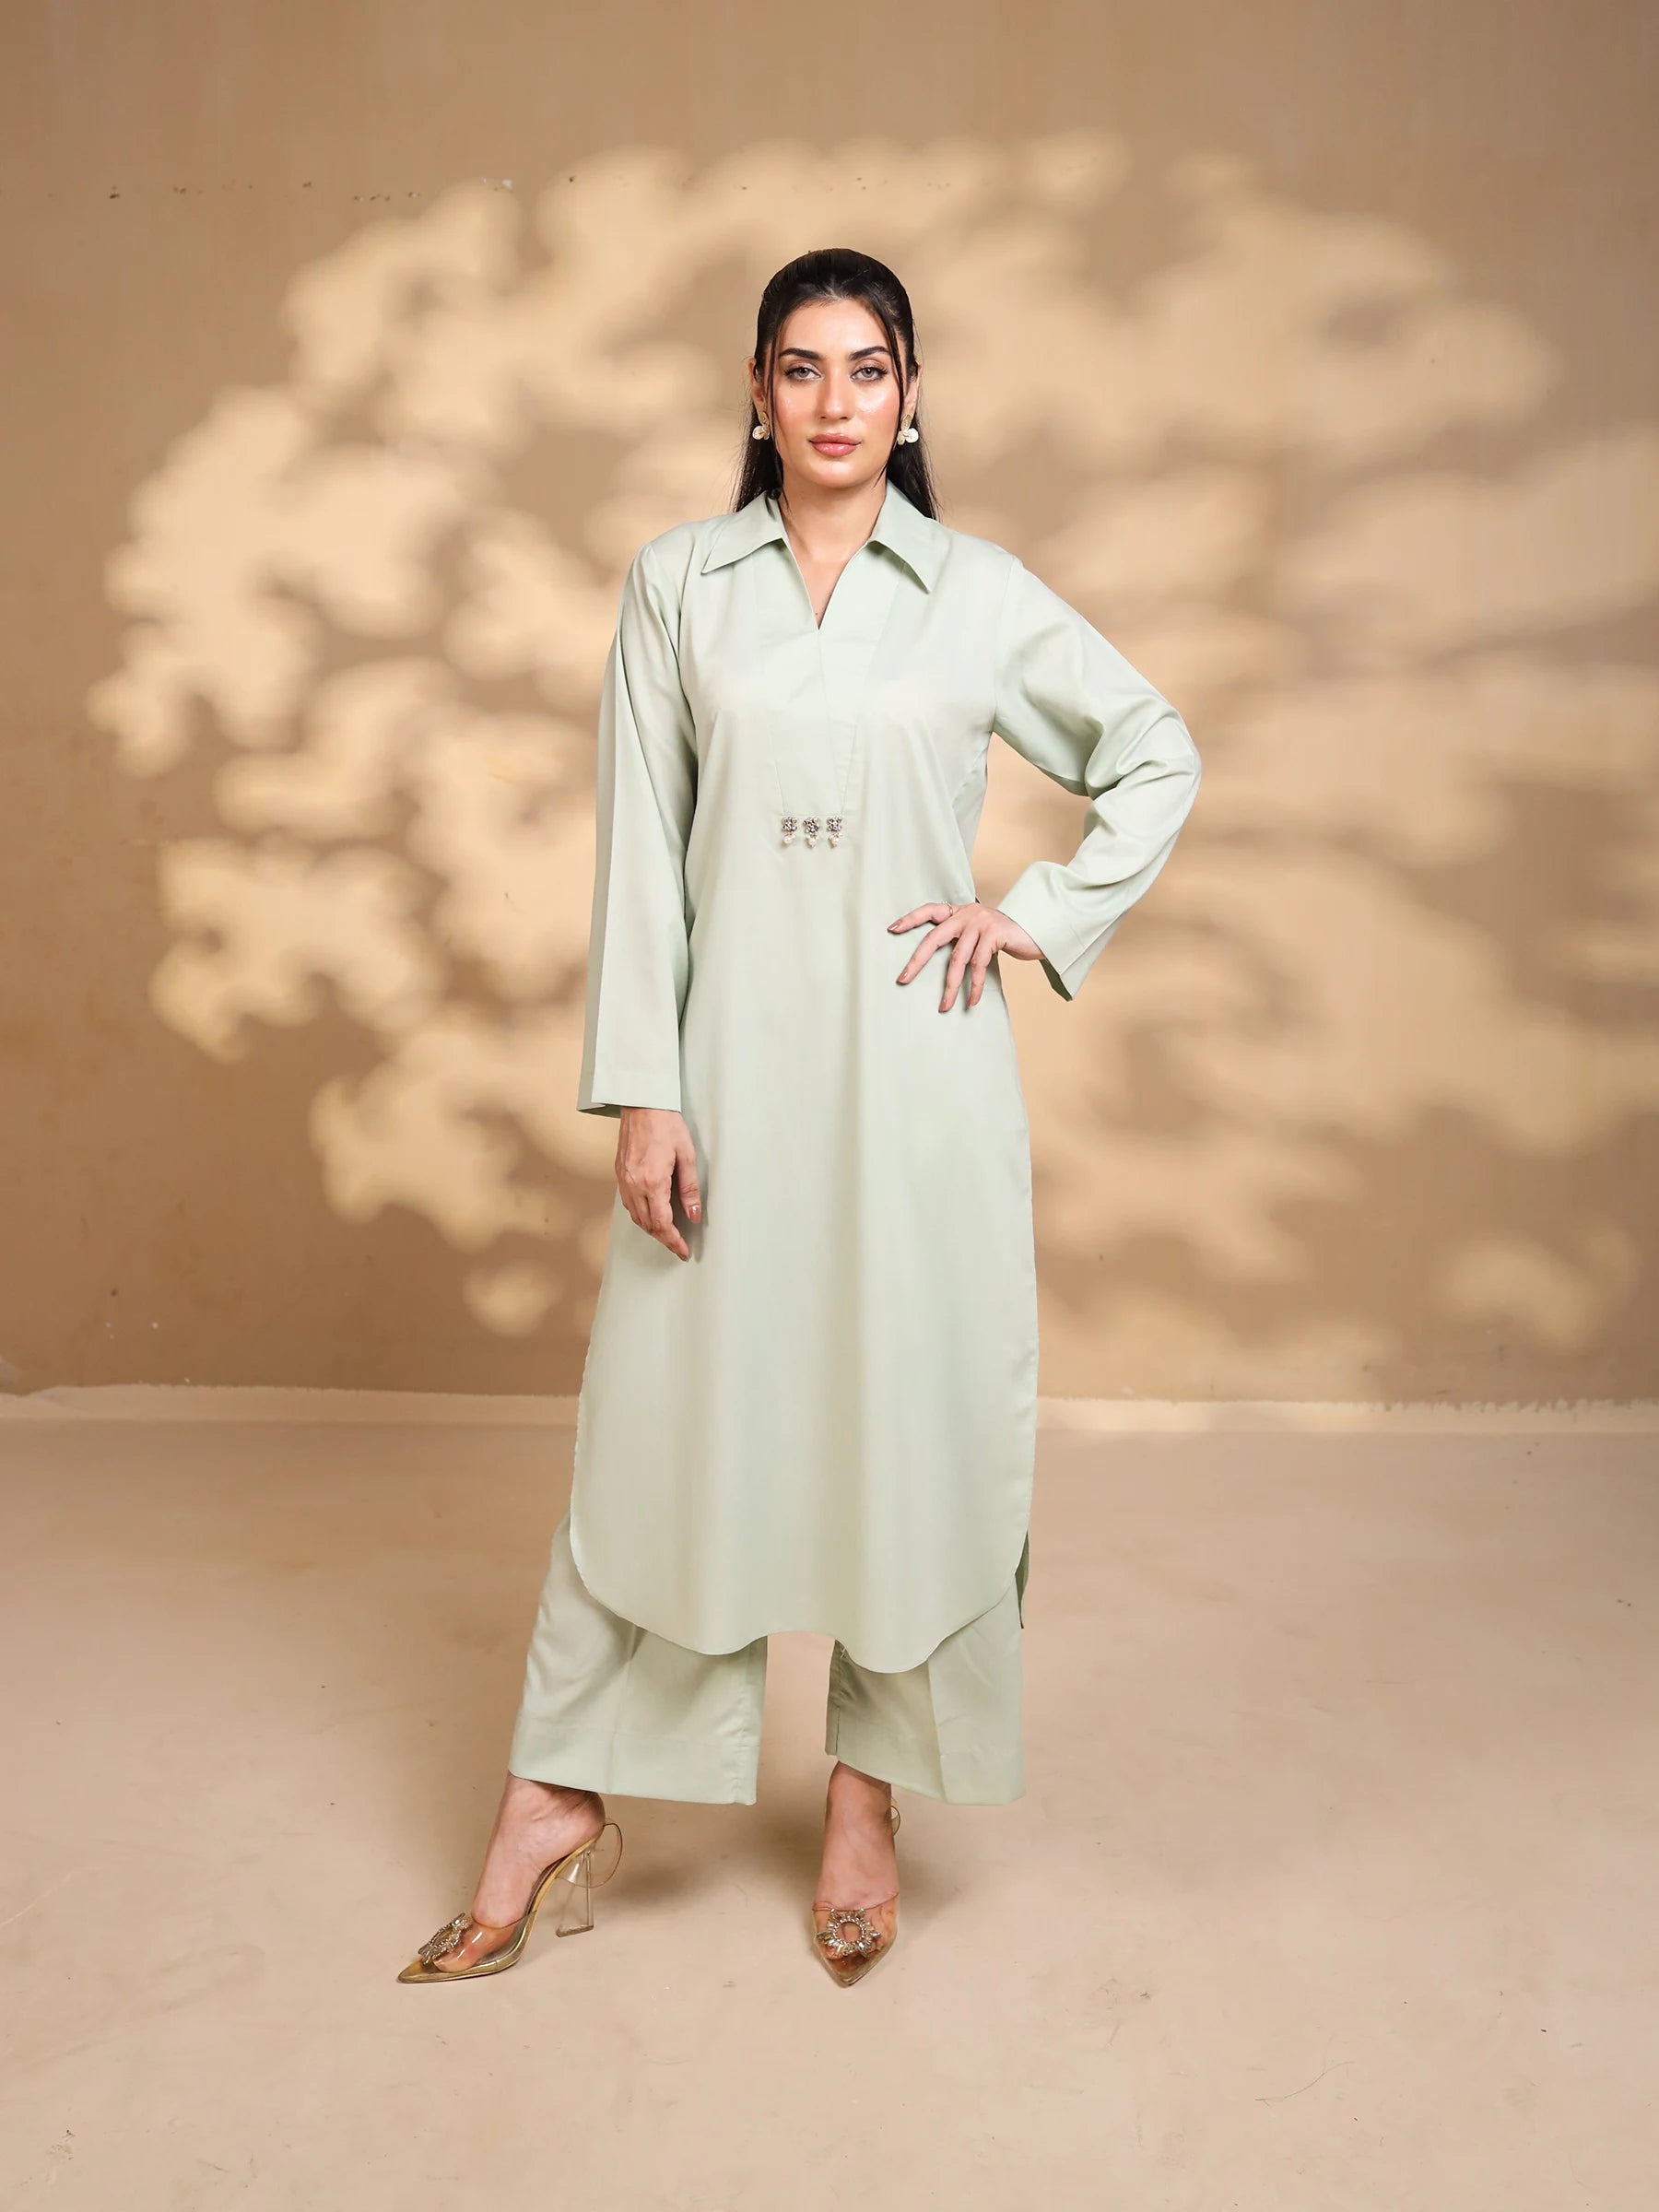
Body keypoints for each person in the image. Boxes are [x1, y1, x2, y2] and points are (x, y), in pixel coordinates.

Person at [397, 246, 1203, 1991]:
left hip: (918, 1089)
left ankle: (867, 1795)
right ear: (756, 395)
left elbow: (1156, 752)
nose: (836, 401)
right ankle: (556, 1792)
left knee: (910, 1427)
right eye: (801, 368)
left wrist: (1033, 917)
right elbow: (640, 856)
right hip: (728, 1089)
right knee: (665, 1431)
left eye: (869, 368)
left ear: (913, 397)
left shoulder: (978, 594)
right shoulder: (680, 585)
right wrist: (647, 1092)